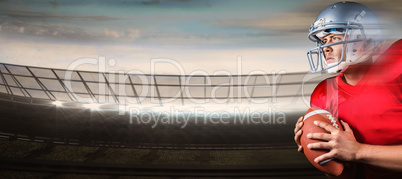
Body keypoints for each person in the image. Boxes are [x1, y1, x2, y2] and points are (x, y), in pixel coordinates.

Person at [293, 1, 402, 178]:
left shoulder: (397, 68)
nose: (326, 48)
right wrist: (315, 147)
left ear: (367, 41)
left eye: (335, 38)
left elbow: (354, 153)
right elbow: (344, 173)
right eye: (323, 41)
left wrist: (358, 151)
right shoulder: (323, 95)